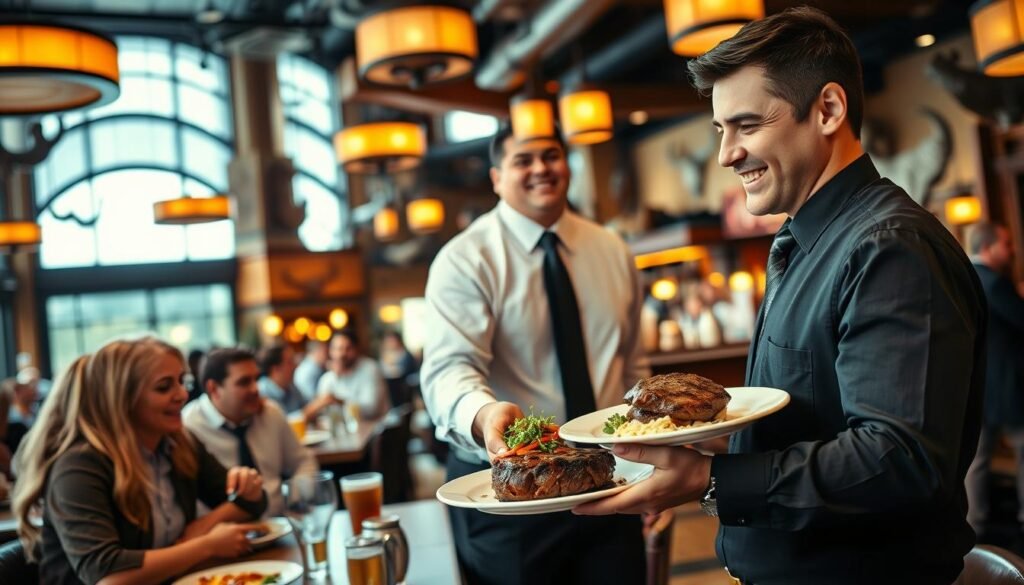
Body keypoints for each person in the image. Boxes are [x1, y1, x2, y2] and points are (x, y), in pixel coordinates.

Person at [575, 8, 986, 585]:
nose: (726, 154)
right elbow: (814, 418)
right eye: (721, 130)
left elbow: (898, 459)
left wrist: (709, 479)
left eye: (746, 125)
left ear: (828, 110)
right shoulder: (804, 239)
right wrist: (698, 439)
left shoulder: (890, 247)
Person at [421, 119, 650, 585]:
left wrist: (648, 466)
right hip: (511, 492)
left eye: (551, 155)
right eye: (522, 159)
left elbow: (632, 369)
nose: (540, 168)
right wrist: (483, 416)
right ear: (496, 177)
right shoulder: (465, 259)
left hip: (605, 476)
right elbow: (449, 368)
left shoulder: (612, 250)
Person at [12, 336, 267, 585]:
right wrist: (206, 546)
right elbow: (107, 575)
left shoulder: (180, 443)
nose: (181, 395)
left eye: (181, 381)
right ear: (123, 398)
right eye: (164, 387)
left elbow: (252, 502)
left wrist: (206, 524)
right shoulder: (79, 465)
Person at [184, 347, 318, 517]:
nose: (256, 389)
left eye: (256, 379)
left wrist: (293, 497)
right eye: (244, 382)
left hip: (281, 522)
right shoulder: (188, 427)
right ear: (214, 389)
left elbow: (303, 461)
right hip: (222, 535)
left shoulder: (269, 413)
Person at [965, 221, 1024, 541]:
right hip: (1009, 383)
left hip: (978, 381)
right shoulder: (996, 284)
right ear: (987, 247)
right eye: (1006, 243)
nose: (1012, 249)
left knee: (977, 459)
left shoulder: (963, 276)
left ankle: (974, 523)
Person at [317, 330, 390, 421]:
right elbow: (324, 413)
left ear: (356, 349)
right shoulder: (327, 379)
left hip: (376, 429)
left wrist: (339, 401)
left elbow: (371, 410)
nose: (342, 354)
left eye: (348, 348)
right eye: (338, 349)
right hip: (344, 432)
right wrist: (338, 378)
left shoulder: (369, 369)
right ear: (330, 351)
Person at [378, 330, 418, 407]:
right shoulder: (386, 355)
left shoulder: (406, 355)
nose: (390, 343)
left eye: (392, 341)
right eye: (388, 341)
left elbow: (405, 371)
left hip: (405, 388)